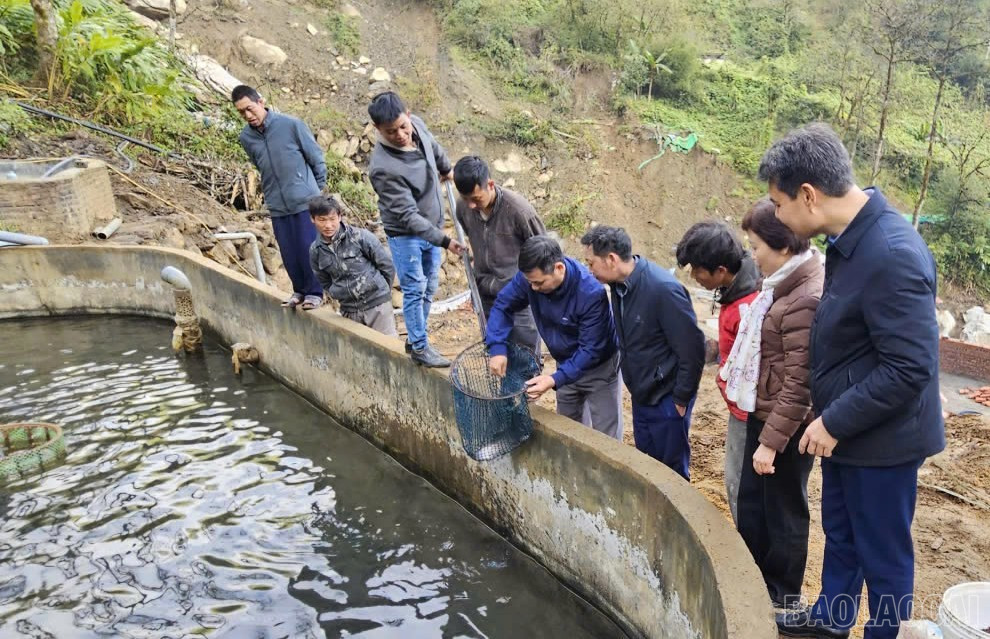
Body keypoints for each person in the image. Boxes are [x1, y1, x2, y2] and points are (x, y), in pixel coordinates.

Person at [761, 123, 945, 639]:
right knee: (841, 534)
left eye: (778, 204)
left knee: (882, 552)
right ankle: (830, 621)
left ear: (809, 195)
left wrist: (834, 419)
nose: (777, 215)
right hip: (846, 431)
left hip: (882, 438)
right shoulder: (849, 240)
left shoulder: (890, 253)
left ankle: (884, 634)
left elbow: (910, 366)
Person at [721, 199, 822, 612]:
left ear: (782, 247)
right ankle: (755, 583)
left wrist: (771, 443)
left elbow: (801, 383)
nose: (752, 255)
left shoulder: (805, 297)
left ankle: (783, 596)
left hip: (788, 425)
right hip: (764, 414)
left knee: (783, 511)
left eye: (757, 246)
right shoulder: (779, 285)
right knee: (753, 503)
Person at [581, 226, 705, 480]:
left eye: (591, 263)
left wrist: (680, 399)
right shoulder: (619, 285)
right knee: (647, 464)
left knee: (671, 473)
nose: (589, 269)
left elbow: (692, 350)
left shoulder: (663, 290)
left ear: (612, 259)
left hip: (667, 399)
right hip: (642, 393)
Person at [487, 235, 622, 439]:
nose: (533, 288)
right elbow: (503, 305)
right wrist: (497, 347)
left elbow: (591, 350)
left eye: (539, 283)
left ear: (559, 268)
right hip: (565, 361)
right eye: (530, 282)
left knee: (606, 435)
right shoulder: (530, 280)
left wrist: (553, 379)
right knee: (569, 429)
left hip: (599, 369)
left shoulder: (590, 293)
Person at [367, 91, 465, 368]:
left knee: (430, 285)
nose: (400, 135)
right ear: (378, 130)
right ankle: (420, 347)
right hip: (406, 234)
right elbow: (408, 217)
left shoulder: (417, 126)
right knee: (414, 288)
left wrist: (447, 168)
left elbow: (434, 147)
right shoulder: (383, 168)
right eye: (390, 132)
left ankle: (415, 336)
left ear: (408, 116)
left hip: (432, 225)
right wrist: (445, 241)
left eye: (402, 127)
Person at [676, 222, 760, 518]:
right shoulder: (734, 292)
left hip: (748, 413)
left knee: (738, 483)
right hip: (739, 405)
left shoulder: (748, 307)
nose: (695, 278)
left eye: (698, 271)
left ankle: (747, 550)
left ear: (720, 270)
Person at [232, 85, 326, 310]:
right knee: (288, 251)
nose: (248, 115)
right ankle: (299, 291)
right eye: (241, 112)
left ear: (261, 102)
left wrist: (314, 191)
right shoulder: (246, 138)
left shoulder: (291, 125)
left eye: (250, 109)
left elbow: (316, 158)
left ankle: (314, 293)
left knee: (308, 248)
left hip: (305, 201)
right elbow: (260, 165)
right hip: (277, 203)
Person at [453, 155, 545, 354]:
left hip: (519, 299)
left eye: (476, 199)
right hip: (486, 296)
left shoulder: (519, 211)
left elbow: (543, 252)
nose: (470, 205)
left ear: (491, 185)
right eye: (465, 199)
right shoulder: (463, 208)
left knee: (524, 360)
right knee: (497, 355)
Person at [308, 195, 398, 337]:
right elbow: (323, 280)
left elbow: (386, 265)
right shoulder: (316, 250)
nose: (328, 225)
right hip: (349, 310)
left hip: (378, 307)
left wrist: (381, 292)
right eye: (322, 220)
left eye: (332, 219)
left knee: (388, 349)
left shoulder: (360, 237)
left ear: (339, 217)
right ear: (313, 219)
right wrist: (338, 292)